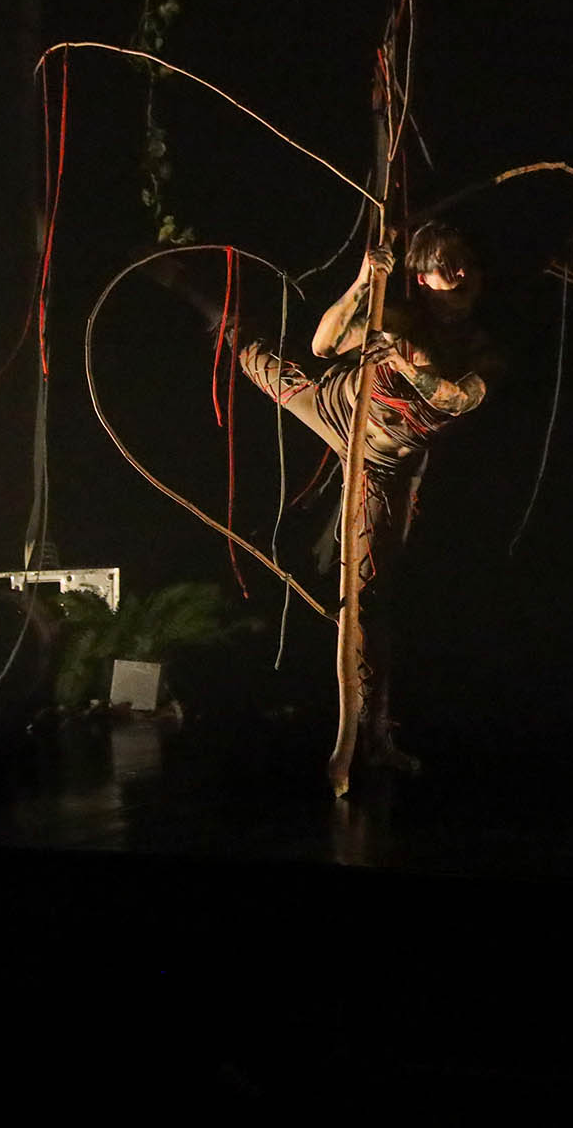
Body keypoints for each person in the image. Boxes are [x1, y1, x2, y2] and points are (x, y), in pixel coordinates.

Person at [156, 221, 501, 773]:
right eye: (447, 265)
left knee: (369, 597)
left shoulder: (480, 346)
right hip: (333, 407)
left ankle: (374, 734)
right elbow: (324, 344)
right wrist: (365, 280)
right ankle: (195, 293)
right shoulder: (396, 316)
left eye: (469, 265)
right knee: (255, 357)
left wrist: (408, 364)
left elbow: (460, 399)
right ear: (421, 277)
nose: (462, 274)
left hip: (382, 465)